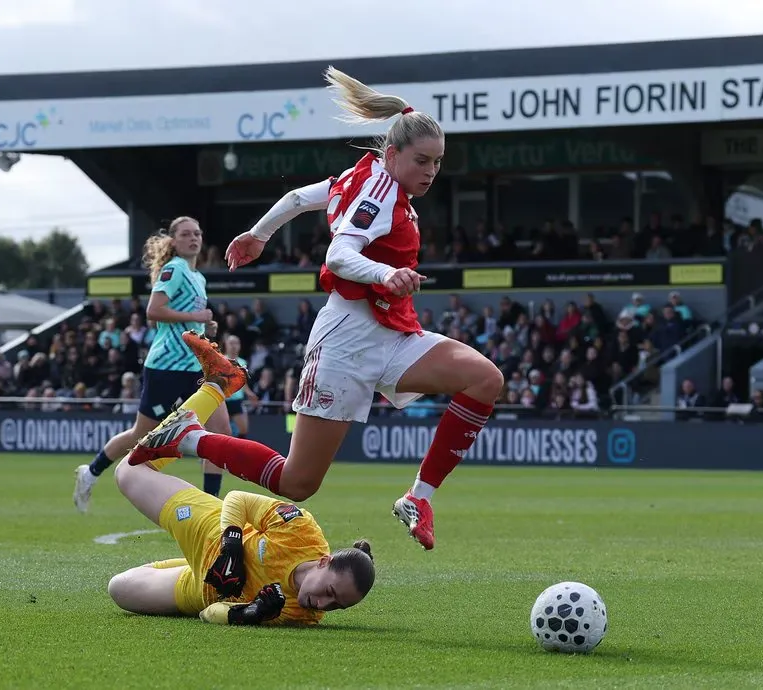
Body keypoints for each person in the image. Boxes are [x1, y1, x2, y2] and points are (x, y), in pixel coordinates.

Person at [129, 67, 505, 552]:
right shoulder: (380, 191)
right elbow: (338, 255)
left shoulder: (365, 175)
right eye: (422, 161)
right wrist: (385, 274)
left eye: (437, 162)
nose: (431, 171)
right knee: (297, 481)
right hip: (345, 343)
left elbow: (297, 198)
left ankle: (418, 498)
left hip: (391, 334)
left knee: (484, 379)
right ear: (392, 154)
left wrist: (258, 234)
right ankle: (188, 437)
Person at [108, 356, 375, 626]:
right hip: (208, 531)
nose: (321, 604)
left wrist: (248, 613)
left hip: (202, 589)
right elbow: (238, 499)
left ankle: (197, 416)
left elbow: (209, 612)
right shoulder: (301, 533)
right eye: (329, 592)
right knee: (128, 471)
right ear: (323, 562)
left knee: (118, 590)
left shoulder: (300, 614)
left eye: (336, 606)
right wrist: (232, 548)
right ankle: (216, 388)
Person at [73, 216, 230, 513]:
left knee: (220, 429)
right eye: (186, 234)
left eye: (197, 233)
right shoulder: (175, 269)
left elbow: (185, 319)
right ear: (174, 241)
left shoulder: (199, 276)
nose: (194, 238)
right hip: (167, 367)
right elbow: (154, 311)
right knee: (139, 435)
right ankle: (91, 472)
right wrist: (196, 318)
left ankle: (213, 507)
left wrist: (205, 330)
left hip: (195, 366)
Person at [222, 334, 260, 438]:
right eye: (231, 343)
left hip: (237, 401)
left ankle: (237, 453)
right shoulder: (220, 360)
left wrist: (250, 394)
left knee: (243, 430)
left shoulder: (243, 362)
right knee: (222, 432)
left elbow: (242, 383)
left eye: (236, 343)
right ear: (226, 345)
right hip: (222, 401)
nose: (234, 346)